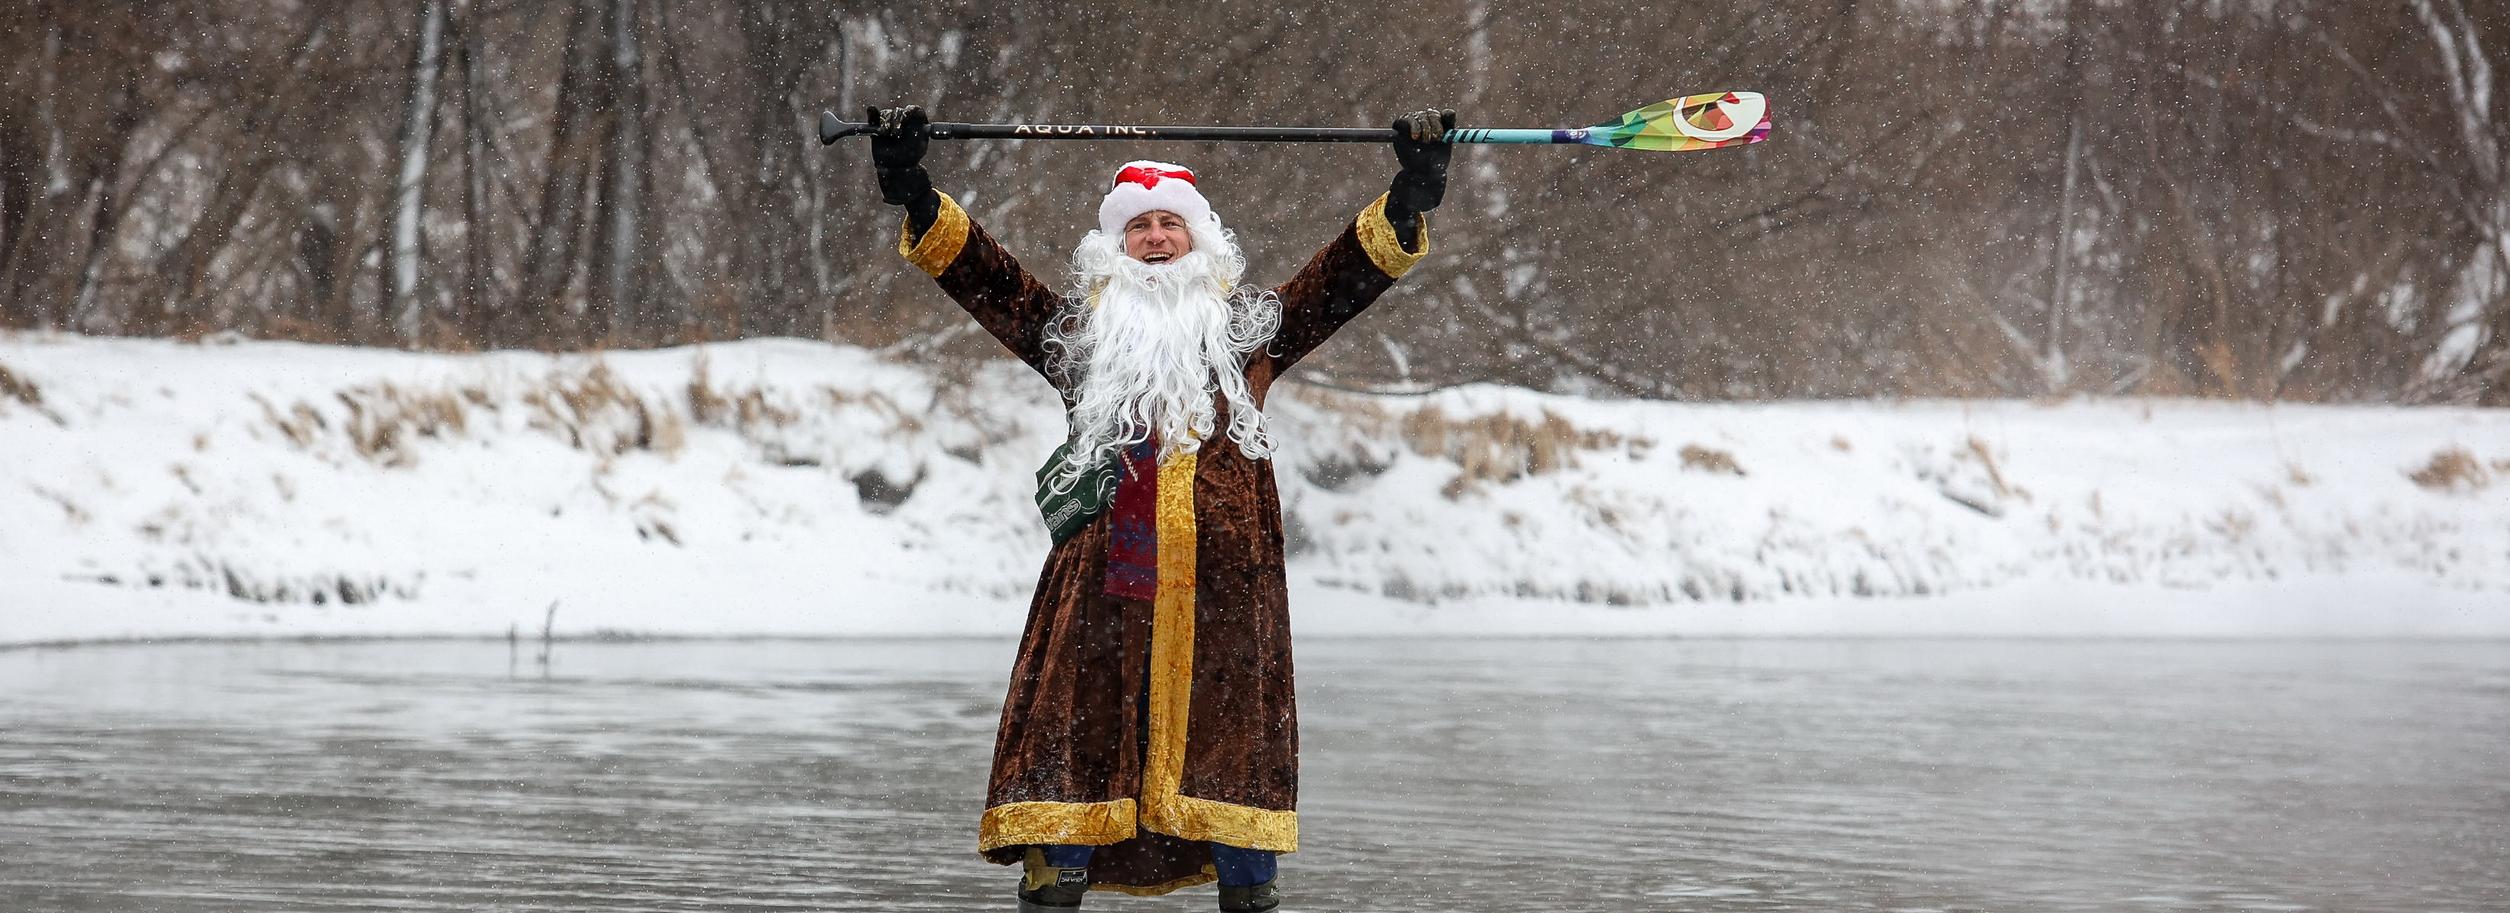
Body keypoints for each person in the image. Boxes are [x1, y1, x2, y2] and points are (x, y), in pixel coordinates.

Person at [865, 102, 1454, 912]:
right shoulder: (1080, 340)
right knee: (1079, 744)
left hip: (1226, 598)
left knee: (1230, 758)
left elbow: (1341, 280)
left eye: (1170, 224)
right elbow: (990, 282)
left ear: (1200, 242)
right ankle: (1058, 872)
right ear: (1115, 250)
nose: (1154, 238)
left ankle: (1248, 888)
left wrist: (1410, 192)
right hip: (1104, 589)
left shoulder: (1250, 335)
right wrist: (916, 192)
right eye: (1137, 227)